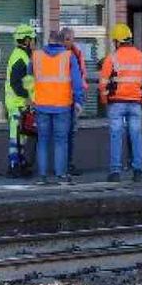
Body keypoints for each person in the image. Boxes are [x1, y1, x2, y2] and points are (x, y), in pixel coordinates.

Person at [30, 29, 84, 185]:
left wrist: (31, 96)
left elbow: (28, 78)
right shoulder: (69, 57)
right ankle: (61, 176)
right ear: (61, 41)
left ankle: (42, 177)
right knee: (61, 141)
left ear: (48, 40)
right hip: (62, 106)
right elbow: (77, 81)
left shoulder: (36, 56)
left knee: (42, 140)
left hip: (41, 105)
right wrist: (78, 101)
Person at [100, 23, 142, 183]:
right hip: (135, 103)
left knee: (116, 136)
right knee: (136, 136)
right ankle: (138, 171)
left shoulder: (112, 58)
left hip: (116, 103)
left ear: (117, 41)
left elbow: (103, 83)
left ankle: (115, 171)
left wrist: (105, 99)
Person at [2, 24, 36, 177]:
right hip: (17, 104)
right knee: (15, 138)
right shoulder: (20, 57)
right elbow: (16, 84)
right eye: (33, 39)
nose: (34, 42)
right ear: (27, 40)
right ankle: (14, 166)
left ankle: (20, 164)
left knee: (20, 137)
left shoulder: (22, 55)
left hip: (20, 103)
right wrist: (28, 98)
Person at [58, 28, 88, 176]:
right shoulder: (65, 55)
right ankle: (65, 165)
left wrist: (79, 99)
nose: (71, 41)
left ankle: (67, 164)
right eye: (69, 39)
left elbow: (79, 78)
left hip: (72, 99)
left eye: (72, 38)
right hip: (63, 100)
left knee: (70, 134)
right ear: (62, 40)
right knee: (65, 135)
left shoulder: (75, 53)